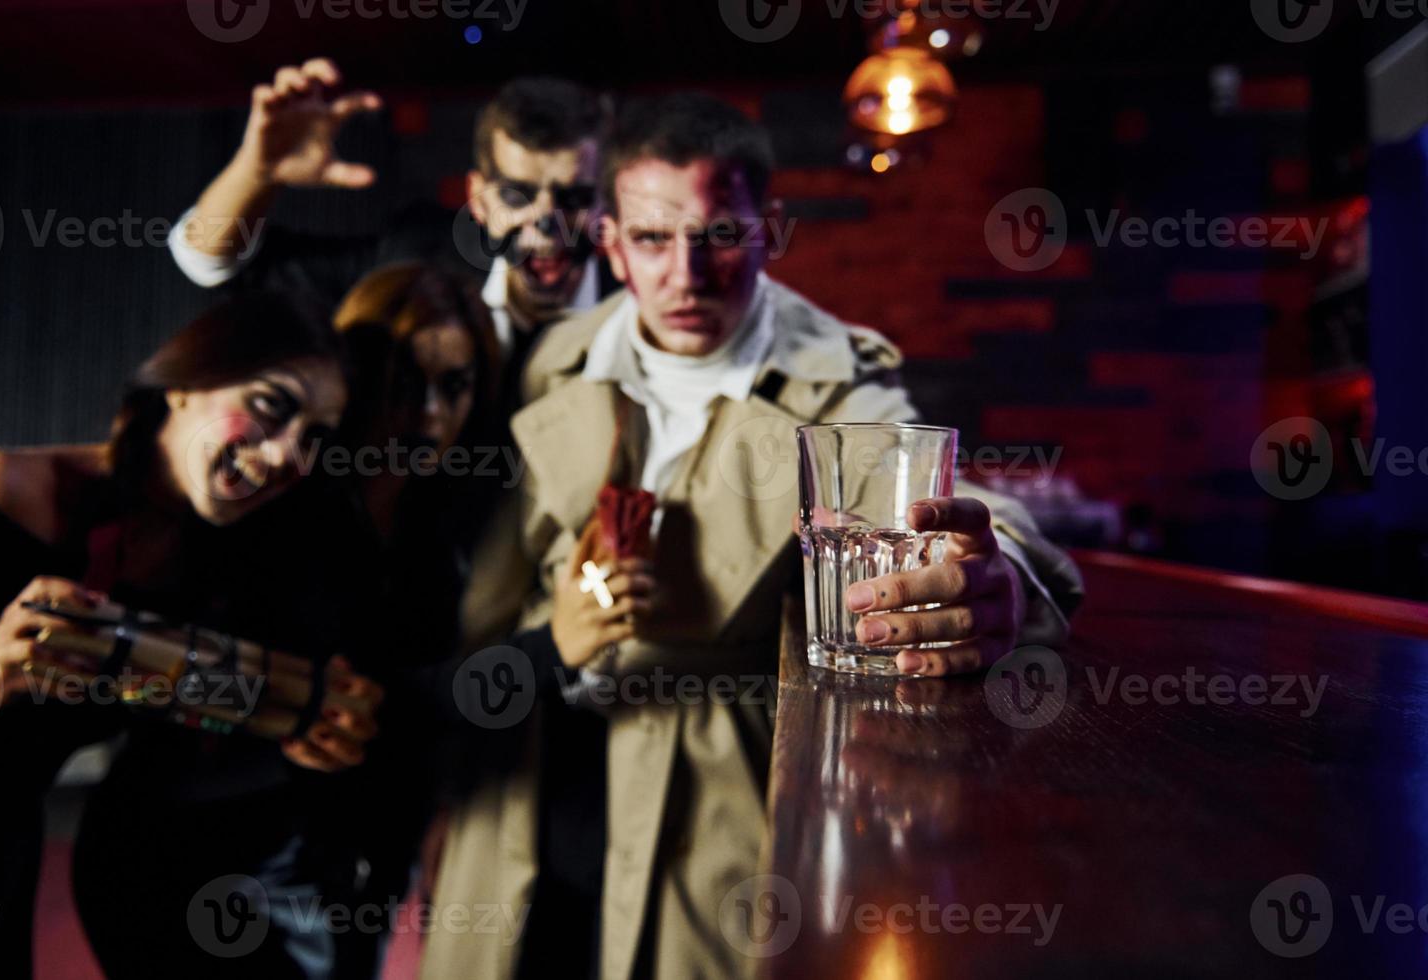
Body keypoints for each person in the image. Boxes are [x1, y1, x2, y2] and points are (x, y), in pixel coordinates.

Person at [423, 93, 1085, 980]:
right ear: (612, 243)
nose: (687, 275)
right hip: (531, 782)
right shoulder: (549, 361)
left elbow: (953, 499)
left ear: (767, 229)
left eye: (719, 235)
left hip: (707, 797)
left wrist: (991, 571)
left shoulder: (837, 380)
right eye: (654, 241)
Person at [0, 291, 378, 977]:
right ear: (183, 386)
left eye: (318, 437)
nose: (286, 454)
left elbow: (171, 753)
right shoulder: (0, 488)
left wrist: (297, 732)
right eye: (272, 404)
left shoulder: (216, 572)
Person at [72, 265, 500, 977]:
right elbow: (141, 683)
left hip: (347, 865)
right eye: (401, 384)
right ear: (356, 380)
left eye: (453, 386)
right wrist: (277, 716)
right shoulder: (267, 505)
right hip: (191, 851)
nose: (427, 414)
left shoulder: (442, 532)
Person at [169, 59, 613, 396]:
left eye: (574, 198)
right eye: (517, 194)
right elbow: (213, 261)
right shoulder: (413, 261)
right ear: (479, 199)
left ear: (605, 202)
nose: (546, 223)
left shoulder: (650, 300)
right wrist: (257, 172)